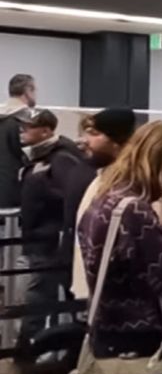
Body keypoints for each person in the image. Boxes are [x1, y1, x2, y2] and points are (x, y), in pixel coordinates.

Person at [77, 121, 162, 366]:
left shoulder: (105, 198)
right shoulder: (135, 210)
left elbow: (125, 257)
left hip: (105, 330)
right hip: (137, 340)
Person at [10, 109, 83, 358]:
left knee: (38, 305)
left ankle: (26, 360)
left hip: (50, 246)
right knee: (39, 304)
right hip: (38, 243)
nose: (22, 132)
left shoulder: (62, 159)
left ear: (46, 130)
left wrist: (59, 231)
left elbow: (71, 197)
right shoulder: (36, 158)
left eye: (28, 127)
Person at [66, 108, 137, 299]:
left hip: (115, 299)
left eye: (95, 134)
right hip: (91, 289)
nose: (85, 140)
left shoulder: (132, 185)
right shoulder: (97, 176)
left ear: (116, 141)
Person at [0, 74, 36, 208]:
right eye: (34, 90)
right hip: (13, 190)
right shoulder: (24, 121)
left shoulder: (3, 116)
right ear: (27, 91)